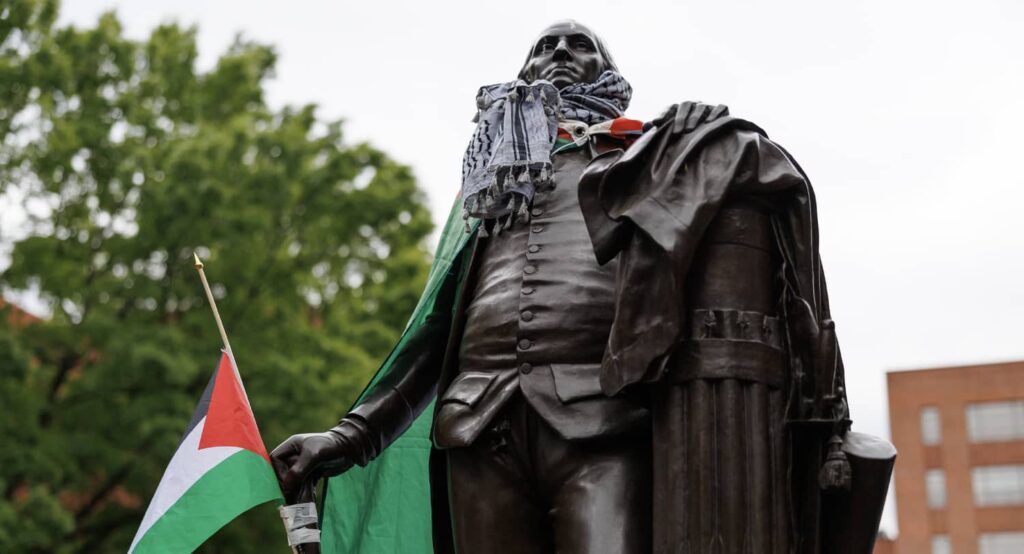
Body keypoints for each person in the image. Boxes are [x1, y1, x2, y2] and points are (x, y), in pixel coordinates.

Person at [271, 19, 890, 554]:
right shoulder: (486, 196)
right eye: (545, 46)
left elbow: (768, 174)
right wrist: (349, 436)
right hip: (477, 426)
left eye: (580, 45)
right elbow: (431, 337)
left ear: (610, 77)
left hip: (602, 420)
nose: (561, 53)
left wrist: (712, 136)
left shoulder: (648, 161)